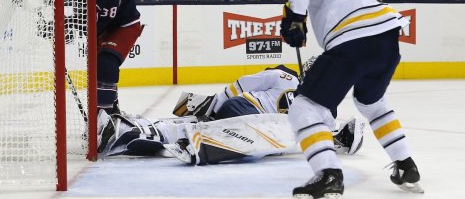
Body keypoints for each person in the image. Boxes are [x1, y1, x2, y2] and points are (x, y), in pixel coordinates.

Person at [280, 0, 423, 198]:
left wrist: (295, 19)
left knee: (304, 107)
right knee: (372, 103)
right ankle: (405, 165)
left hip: (354, 42)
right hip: (387, 40)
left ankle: (329, 174)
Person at [97, 64, 365, 165]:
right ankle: (199, 145)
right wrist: (214, 104)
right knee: (265, 138)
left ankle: (127, 131)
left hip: (259, 132)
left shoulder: (326, 111)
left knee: (189, 127)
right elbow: (241, 86)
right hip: (244, 110)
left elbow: (319, 136)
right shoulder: (284, 76)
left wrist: (343, 137)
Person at [5, 0, 144, 116]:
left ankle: (104, 116)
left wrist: (62, 27)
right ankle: (112, 108)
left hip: (123, 25)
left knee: (106, 64)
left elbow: (94, 26)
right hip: (98, 23)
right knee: (98, 72)